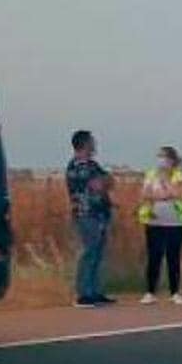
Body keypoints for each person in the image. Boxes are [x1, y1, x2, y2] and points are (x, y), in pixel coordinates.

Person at [137, 146, 182, 305]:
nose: (161, 160)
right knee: (154, 256)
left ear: (172, 160)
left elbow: (177, 194)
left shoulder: (180, 175)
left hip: (176, 222)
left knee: (173, 256)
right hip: (154, 221)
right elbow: (145, 194)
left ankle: (175, 292)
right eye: (159, 157)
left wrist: (165, 182)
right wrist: (161, 196)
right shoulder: (151, 174)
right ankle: (150, 292)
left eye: (164, 157)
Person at [66, 130, 116, 308]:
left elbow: (108, 182)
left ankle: (94, 291)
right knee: (89, 251)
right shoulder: (76, 167)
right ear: (84, 144)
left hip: (100, 213)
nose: (94, 145)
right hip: (86, 214)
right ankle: (83, 293)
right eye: (91, 142)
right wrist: (103, 183)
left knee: (98, 253)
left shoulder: (93, 165)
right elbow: (99, 185)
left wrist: (104, 183)